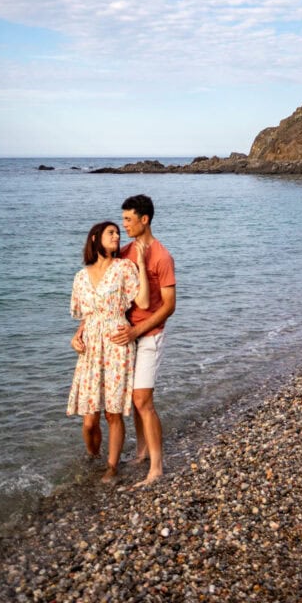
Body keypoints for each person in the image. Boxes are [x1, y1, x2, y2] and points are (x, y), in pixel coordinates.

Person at [67, 221, 149, 482]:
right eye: (111, 233)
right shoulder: (81, 276)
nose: (117, 236)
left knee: (113, 411)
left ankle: (112, 466)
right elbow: (86, 315)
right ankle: (93, 457)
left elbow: (143, 301)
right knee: (89, 419)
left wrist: (143, 266)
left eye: (117, 232)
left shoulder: (125, 267)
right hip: (91, 347)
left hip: (116, 342)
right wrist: (76, 336)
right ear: (95, 239)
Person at [110, 194, 176, 486]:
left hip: (149, 335)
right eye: (122, 219)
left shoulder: (162, 256)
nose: (124, 225)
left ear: (144, 220)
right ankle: (141, 452)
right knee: (134, 399)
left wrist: (138, 330)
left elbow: (169, 306)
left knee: (142, 399)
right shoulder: (124, 252)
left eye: (128, 219)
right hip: (127, 334)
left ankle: (157, 467)